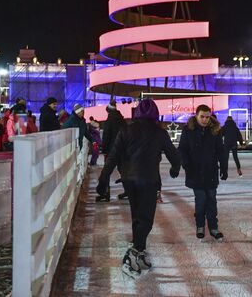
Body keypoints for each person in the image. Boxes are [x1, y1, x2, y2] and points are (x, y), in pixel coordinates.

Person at [96, 99, 181, 278]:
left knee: (137, 216)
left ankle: (140, 250)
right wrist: (175, 167)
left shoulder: (126, 130)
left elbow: (113, 156)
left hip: (129, 179)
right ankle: (134, 252)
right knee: (146, 218)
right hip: (148, 180)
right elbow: (174, 155)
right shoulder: (159, 133)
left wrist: (104, 178)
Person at [178, 104, 228, 241]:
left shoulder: (215, 130)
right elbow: (182, 149)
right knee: (201, 200)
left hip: (211, 171)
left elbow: (221, 151)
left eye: (207, 117)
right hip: (195, 172)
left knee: (211, 199)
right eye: (202, 117)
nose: (205, 120)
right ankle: (200, 225)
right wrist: (186, 164)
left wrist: (224, 167)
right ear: (196, 115)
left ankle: (213, 227)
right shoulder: (188, 130)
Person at [102, 100, 128, 199]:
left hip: (112, 150)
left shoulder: (109, 120)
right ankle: (128, 191)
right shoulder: (122, 119)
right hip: (123, 148)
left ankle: (105, 192)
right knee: (124, 170)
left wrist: (104, 150)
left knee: (107, 170)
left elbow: (106, 135)